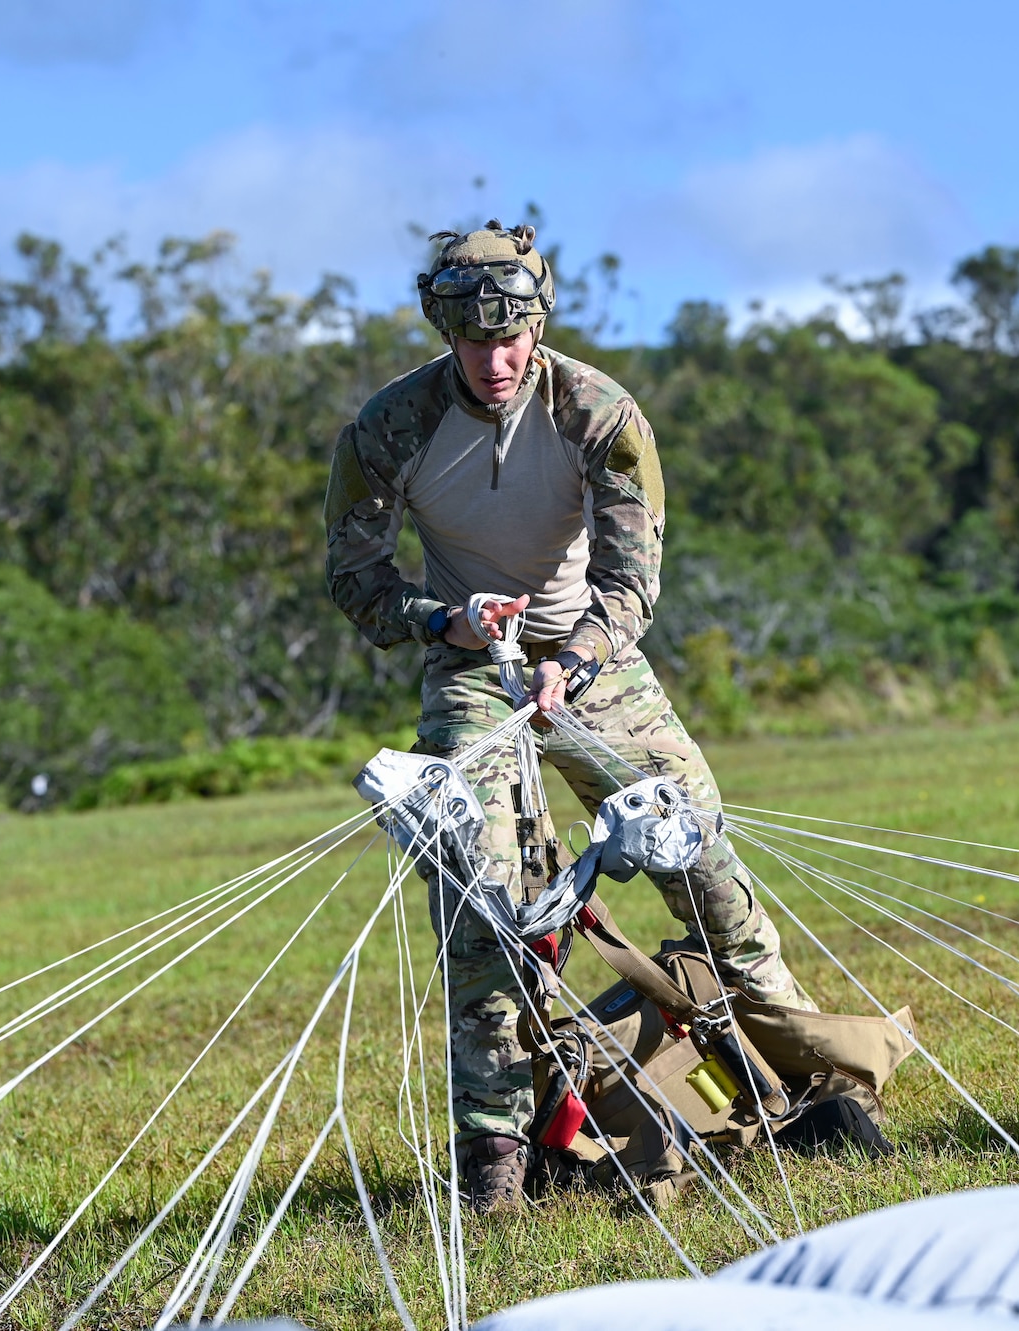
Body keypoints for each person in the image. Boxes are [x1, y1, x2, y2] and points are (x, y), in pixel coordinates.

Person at [324, 222, 816, 1215]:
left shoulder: (599, 409)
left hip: (595, 663)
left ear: (539, 326)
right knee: (482, 900)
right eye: (473, 342)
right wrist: (442, 617)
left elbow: (633, 578)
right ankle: (494, 1156)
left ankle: (808, 1077)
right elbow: (354, 574)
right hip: (469, 671)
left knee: (700, 854)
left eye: (513, 340)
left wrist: (576, 658)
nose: (495, 361)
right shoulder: (389, 425)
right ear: (443, 331)